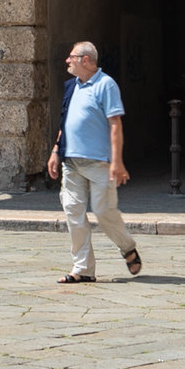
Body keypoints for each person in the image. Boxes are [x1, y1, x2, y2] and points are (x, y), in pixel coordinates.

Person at [46, 41, 142, 284]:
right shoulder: (71, 87)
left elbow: (115, 124)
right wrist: (56, 150)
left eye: (72, 57)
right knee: (73, 212)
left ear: (85, 60)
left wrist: (117, 161)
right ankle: (83, 269)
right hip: (72, 163)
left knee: (104, 212)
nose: (67, 61)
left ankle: (127, 247)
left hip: (99, 163)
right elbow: (65, 122)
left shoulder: (106, 85)